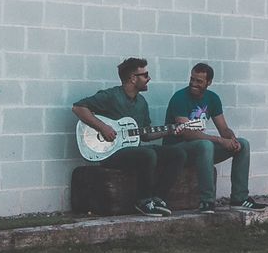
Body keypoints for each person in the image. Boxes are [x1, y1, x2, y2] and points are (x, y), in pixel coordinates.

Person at [72, 57, 181, 216]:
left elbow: (145, 135)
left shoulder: (141, 102)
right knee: (147, 154)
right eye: (145, 75)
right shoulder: (111, 96)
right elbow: (78, 108)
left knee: (177, 153)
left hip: (134, 153)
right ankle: (143, 201)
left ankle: (157, 199)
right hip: (111, 153)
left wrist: (170, 130)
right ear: (132, 78)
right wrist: (102, 127)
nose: (148, 78)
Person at [164, 62, 254, 209]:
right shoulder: (179, 97)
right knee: (205, 145)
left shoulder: (212, 98)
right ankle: (207, 201)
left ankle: (239, 198)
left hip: (200, 150)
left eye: (199, 81)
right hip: (177, 151)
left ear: (209, 82)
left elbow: (223, 128)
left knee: (243, 144)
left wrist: (231, 139)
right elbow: (187, 133)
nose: (193, 83)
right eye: (192, 79)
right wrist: (219, 140)